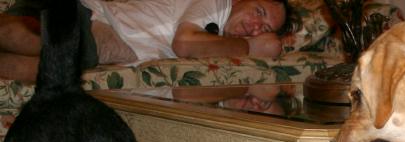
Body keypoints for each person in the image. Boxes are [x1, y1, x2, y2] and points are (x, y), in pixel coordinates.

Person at [0, 0, 294, 82]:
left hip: (101, 38)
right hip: (91, 18)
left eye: (264, 28)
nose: (255, 27)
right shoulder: (218, 3)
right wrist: (252, 47)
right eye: (259, 12)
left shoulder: (221, 45)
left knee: (41, 70)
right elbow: (185, 44)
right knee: (37, 42)